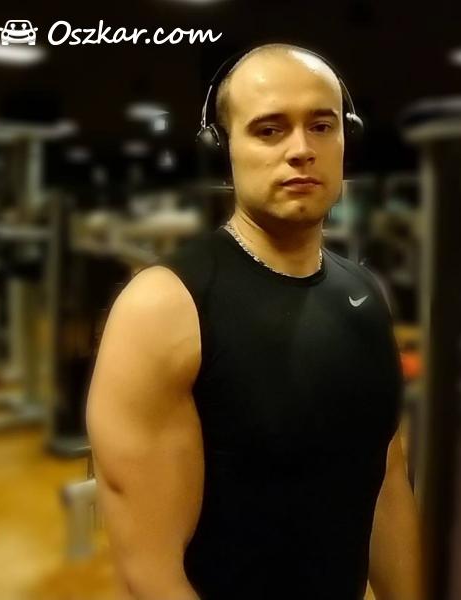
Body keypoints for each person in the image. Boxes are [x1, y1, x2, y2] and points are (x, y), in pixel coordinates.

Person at [86, 43, 424, 600]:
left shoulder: (365, 294)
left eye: (322, 126)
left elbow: (384, 484)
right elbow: (149, 573)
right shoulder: (164, 309)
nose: (301, 150)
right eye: (269, 130)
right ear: (224, 150)